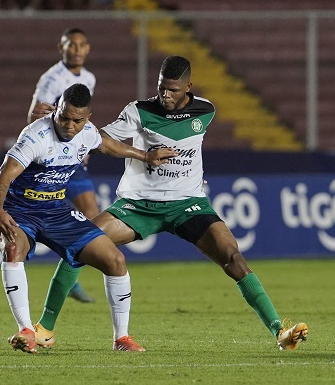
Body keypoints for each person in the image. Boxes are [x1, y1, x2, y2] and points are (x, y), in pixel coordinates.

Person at [33, 56, 309, 352]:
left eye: (173, 90)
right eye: (162, 87)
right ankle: (44, 329)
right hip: (138, 205)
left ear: (188, 87)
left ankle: (279, 332)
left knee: (233, 258)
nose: (165, 94)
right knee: (79, 244)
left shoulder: (206, 110)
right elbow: (101, 138)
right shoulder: (139, 111)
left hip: (187, 205)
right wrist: (62, 123)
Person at [0, 83, 176, 353]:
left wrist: (144, 155)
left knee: (115, 260)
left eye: (77, 120)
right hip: (21, 211)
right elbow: (4, 175)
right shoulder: (36, 136)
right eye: (64, 117)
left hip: (56, 210)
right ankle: (27, 330)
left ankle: (121, 338)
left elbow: (109, 146)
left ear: (87, 118)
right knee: (12, 248)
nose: (69, 125)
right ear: (57, 110)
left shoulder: (87, 133)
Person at [0, 28, 97, 304]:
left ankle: (69, 272)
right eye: (70, 45)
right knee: (19, 225)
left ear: (87, 48)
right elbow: (34, 115)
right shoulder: (51, 78)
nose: (75, 50)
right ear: (60, 48)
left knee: (91, 212)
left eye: (80, 45)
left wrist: (81, 143)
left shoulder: (89, 78)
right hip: (48, 156)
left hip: (70, 156)